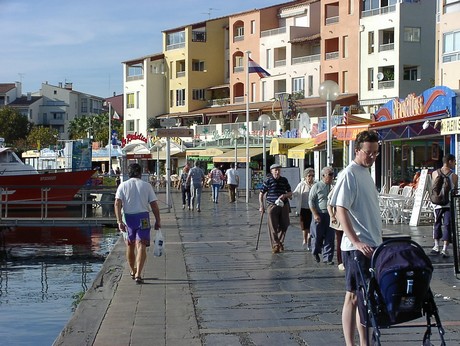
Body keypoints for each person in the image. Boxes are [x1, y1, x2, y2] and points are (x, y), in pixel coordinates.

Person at [329, 130, 382, 346]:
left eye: (376, 153)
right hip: (356, 247)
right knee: (354, 296)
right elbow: (340, 208)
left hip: (372, 244)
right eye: (369, 153)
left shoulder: (366, 173)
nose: (372, 157)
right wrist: (356, 241)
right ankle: (354, 344)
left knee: (366, 298)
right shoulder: (349, 173)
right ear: (358, 150)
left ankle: (364, 343)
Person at [114, 163, 161, 285]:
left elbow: (117, 204)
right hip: (143, 217)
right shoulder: (146, 186)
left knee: (130, 244)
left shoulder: (122, 186)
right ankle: (138, 274)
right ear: (140, 173)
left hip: (128, 218)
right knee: (142, 245)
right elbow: (154, 205)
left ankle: (131, 270)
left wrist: (119, 221)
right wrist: (158, 220)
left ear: (128, 173)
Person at [259, 163, 292, 254]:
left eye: (278, 170)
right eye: (275, 170)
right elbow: (261, 194)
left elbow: (290, 193)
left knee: (285, 224)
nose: (277, 172)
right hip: (272, 205)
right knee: (272, 226)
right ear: (271, 171)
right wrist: (261, 206)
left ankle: (279, 242)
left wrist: (285, 195)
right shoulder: (268, 181)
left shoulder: (284, 180)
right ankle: (275, 245)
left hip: (283, 204)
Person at [431, 154, 458, 258]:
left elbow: (434, 188)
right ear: (449, 161)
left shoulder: (434, 173)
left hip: (437, 204)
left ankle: (436, 246)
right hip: (448, 204)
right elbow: (455, 191)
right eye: (454, 161)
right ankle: (445, 249)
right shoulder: (454, 176)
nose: (455, 163)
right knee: (447, 225)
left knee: (437, 224)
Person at [308, 166, 335, 264]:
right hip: (319, 213)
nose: (332, 177)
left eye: (333, 174)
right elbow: (311, 201)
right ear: (323, 176)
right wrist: (315, 214)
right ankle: (315, 251)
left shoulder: (333, 186)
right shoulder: (317, 186)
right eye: (330, 174)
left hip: (330, 214)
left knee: (330, 237)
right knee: (317, 236)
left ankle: (327, 258)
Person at [292, 167, 315, 250]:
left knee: (311, 226)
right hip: (303, 208)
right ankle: (304, 240)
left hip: (312, 209)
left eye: (312, 175)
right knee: (304, 226)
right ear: (305, 176)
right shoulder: (302, 184)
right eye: (309, 175)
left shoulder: (315, 184)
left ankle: (309, 241)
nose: (311, 177)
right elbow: (295, 193)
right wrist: (289, 195)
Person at [327, 187, 344, 271]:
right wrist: (332, 216)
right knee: (340, 240)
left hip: (351, 220)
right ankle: (340, 261)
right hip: (339, 220)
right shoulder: (336, 189)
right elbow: (329, 204)